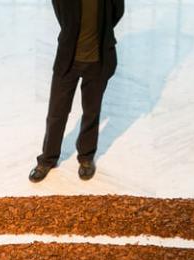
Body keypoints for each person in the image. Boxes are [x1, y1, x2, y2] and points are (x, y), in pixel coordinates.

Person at [30, 0, 124, 182]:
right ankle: (48, 159)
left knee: (91, 111)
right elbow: (61, 13)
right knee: (56, 112)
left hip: (98, 60)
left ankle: (86, 157)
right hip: (68, 60)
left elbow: (117, 11)